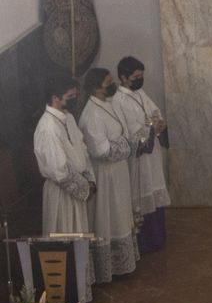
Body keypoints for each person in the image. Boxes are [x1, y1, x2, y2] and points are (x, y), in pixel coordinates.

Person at [77, 67, 138, 281]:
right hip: (105, 174)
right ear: (96, 87)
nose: (111, 85)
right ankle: (109, 266)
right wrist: (127, 147)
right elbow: (101, 150)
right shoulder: (91, 114)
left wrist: (124, 143)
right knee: (108, 216)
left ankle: (123, 261)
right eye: (107, 82)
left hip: (118, 171)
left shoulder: (107, 103)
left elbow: (122, 133)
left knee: (120, 214)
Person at [113, 56, 170, 253]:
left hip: (151, 153)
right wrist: (150, 128)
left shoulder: (139, 92)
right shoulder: (119, 101)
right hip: (138, 157)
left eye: (141, 76)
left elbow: (154, 112)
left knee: (154, 190)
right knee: (142, 193)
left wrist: (159, 122)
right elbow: (129, 133)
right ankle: (145, 242)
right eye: (136, 76)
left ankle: (158, 238)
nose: (140, 79)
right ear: (123, 77)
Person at [33, 73, 94, 237]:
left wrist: (89, 178)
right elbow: (59, 170)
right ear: (55, 98)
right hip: (62, 192)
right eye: (70, 96)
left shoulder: (69, 118)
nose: (75, 99)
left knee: (79, 236)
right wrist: (84, 187)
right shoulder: (48, 127)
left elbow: (82, 149)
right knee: (65, 236)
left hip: (77, 187)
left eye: (75, 95)